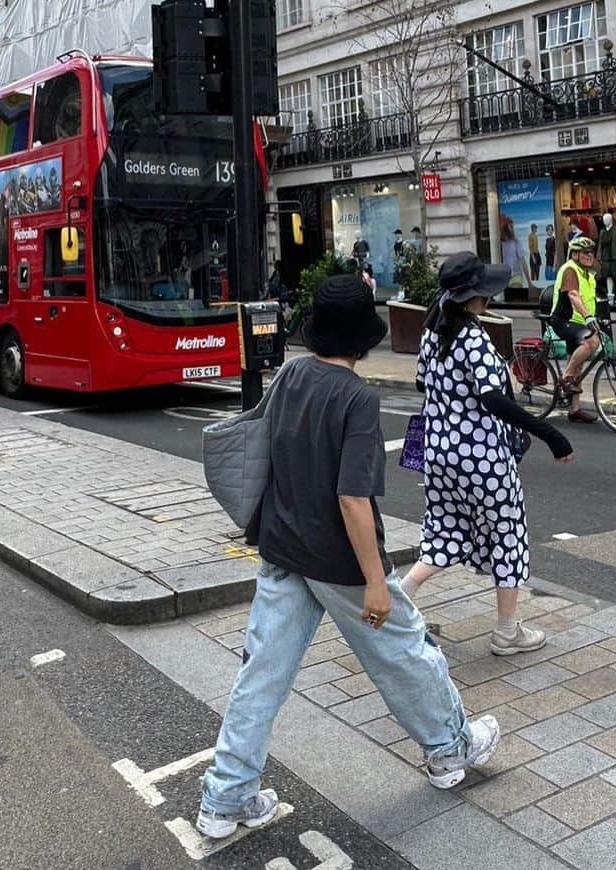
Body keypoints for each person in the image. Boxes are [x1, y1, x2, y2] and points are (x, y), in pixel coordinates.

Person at [197, 276, 500, 839]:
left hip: (282, 549)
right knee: (407, 654)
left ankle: (226, 797)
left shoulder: (290, 374)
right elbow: (352, 498)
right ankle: (450, 751)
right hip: (340, 561)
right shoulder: (358, 397)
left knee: (260, 676)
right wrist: (376, 583)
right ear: (363, 340)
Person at [401, 254, 574, 656]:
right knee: (508, 533)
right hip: (481, 455)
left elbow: (421, 384)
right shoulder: (473, 338)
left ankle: (403, 593)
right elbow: (493, 399)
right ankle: (507, 631)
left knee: (446, 529)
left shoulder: (433, 333)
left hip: (439, 451)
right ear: (474, 297)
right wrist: (550, 434)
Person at [550, 236, 602, 422]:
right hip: (564, 320)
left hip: (578, 322)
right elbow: (573, 295)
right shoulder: (570, 270)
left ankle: (574, 410)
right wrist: (589, 318)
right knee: (592, 342)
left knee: (579, 364)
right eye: (585, 253)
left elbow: (589, 299)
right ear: (576, 254)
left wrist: (595, 317)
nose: (590, 256)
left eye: (591, 252)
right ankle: (565, 378)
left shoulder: (587, 273)